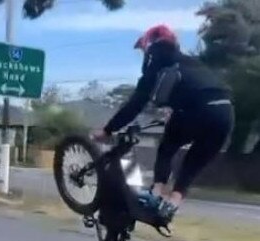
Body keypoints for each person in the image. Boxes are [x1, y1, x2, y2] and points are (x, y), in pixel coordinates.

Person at [91, 25, 234, 224]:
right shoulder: (189, 62)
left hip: (198, 110)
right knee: (192, 165)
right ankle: (172, 204)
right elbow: (192, 89)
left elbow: (137, 103)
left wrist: (108, 129)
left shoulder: (158, 63)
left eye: (144, 51)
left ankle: (156, 193)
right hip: (226, 113)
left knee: (167, 147)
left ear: (151, 47)